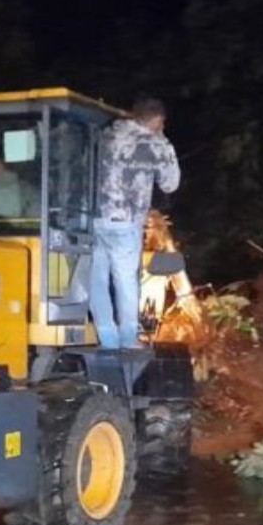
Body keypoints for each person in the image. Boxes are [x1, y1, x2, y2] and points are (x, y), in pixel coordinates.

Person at [89, 98, 180, 350]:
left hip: (93, 218)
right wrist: (162, 141)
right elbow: (170, 184)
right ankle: (128, 339)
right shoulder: (156, 143)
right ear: (158, 121)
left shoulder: (105, 135)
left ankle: (107, 338)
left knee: (96, 278)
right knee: (125, 278)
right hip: (126, 221)